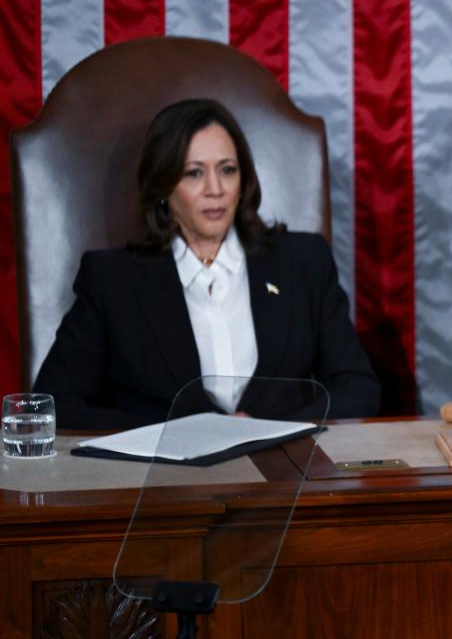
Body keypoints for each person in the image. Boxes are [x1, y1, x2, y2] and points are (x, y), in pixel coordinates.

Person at [34, 98, 381, 429]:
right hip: (163, 484)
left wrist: (275, 432)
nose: (215, 189)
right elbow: (54, 406)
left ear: (243, 181)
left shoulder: (303, 261)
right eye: (194, 173)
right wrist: (178, 435)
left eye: (227, 170)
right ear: (163, 187)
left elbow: (357, 387)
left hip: (283, 479)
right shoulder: (112, 281)